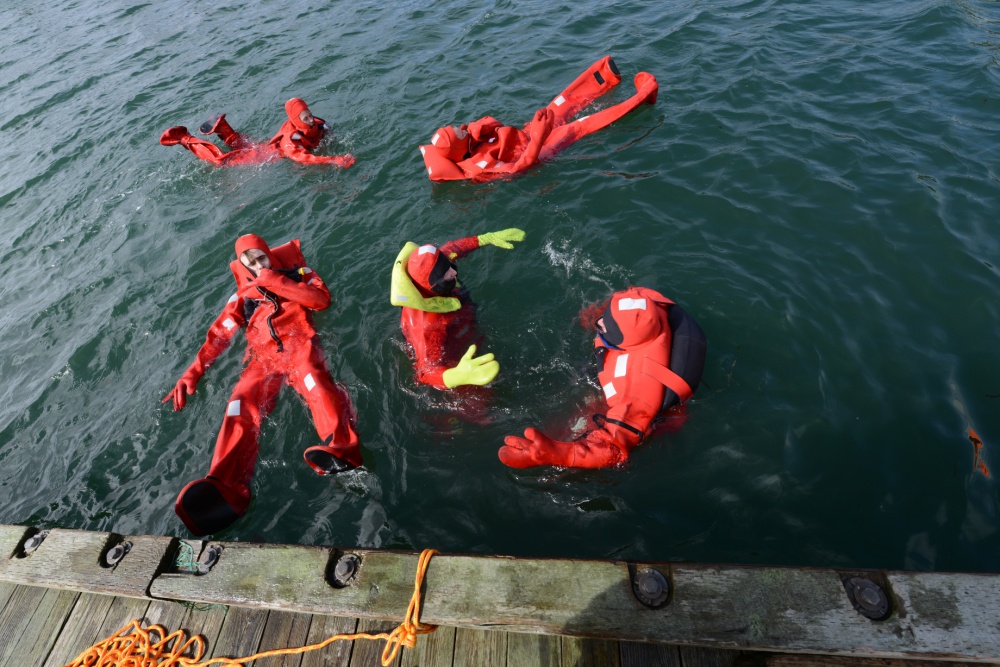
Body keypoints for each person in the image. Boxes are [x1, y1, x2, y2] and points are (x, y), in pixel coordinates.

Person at [164, 234, 361, 536]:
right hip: (262, 359)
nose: (258, 265)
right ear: (243, 266)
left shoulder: (300, 275)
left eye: (262, 258)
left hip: (299, 345)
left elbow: (321, 301)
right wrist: (194, 371)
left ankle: (342, 448)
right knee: (239, 404)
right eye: (251, 263)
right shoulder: (243, 296)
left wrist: (276, 281)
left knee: (316, 384)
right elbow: (219, 334)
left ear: (269, 254)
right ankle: (225, 484)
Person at [499, 286, 706, 469]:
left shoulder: (639, 390)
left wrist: (561, 455)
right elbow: (631, 298)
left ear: (621, 341)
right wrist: (596, 313)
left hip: (647, 417)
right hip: (638, 377)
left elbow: (614, 449)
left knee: (573, 426)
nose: (600, 323)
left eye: (603, 326)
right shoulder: (647, 310)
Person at [419, 56, 658, 182]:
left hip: (527, 136)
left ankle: (604, 75)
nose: (461, 128)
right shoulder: (478, 168)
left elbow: (493, 130)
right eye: (458, 132)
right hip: (537, 151)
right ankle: (644, 95)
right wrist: (539, 138)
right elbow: (519, 169)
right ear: (458, 147)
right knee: (580, 126)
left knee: (559, 105)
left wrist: (533, 131)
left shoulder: (469, 142)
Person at [389, 228, 525, 390]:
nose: (454, 271)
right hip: (454, 358)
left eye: (449, 266)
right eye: (447, 273)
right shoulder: (429, 325)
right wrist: (459, 375)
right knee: (482, 398)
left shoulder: (433, 269)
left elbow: (453, 249)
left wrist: (486, 238)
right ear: (433, 285)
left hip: (466, 329)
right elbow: (424, 372)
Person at [159, 98, 355, 168]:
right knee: (222, 162)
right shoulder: (290, 141)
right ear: (295, 120)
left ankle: (222, 127)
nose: (311, 120)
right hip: (266, 156)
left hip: (266, 147)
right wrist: (333, 159)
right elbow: (304, 159)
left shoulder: (318, 123)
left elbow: (327, 131)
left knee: (245, 144)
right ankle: (184, 138)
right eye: (305, 118)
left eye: (310, 115)